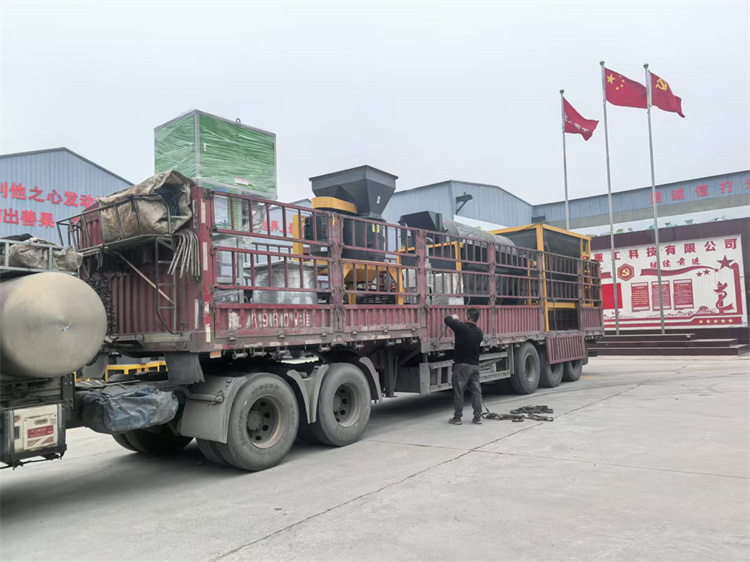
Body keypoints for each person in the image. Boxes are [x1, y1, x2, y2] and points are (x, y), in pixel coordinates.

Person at [444, 308, 483, 425]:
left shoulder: (461, 328)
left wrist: (454, 318)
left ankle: (457, 418)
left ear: (469, 317)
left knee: (459, 392)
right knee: (476, 392)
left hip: (462, 366)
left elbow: (447, 320)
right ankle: (477, 417)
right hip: (475, 366)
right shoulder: (479, 332)